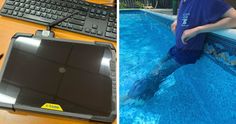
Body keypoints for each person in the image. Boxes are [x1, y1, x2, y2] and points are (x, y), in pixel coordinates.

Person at [126, 0, 236, 101]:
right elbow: (184, 18)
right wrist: (176, 22)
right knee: (155, 70)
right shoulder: (184, 2)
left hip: (188, 53)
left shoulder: (206, 1)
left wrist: (197, 30)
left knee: (155, 74)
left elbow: (234, 18)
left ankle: (130, 98)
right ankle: (145, 97)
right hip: (177, 49)